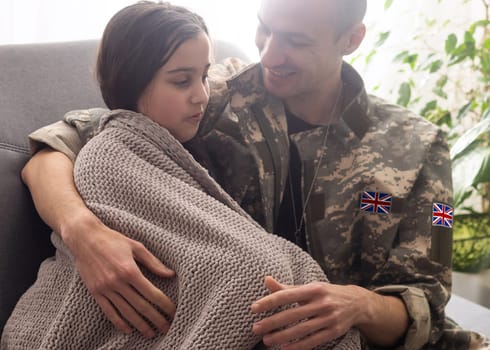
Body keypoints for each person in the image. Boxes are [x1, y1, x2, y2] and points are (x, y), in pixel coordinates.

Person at [18, 0, 489, 349]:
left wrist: (358, 305)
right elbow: (56, 146)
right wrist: (82, 231)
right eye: (264, 30)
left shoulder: (421, 148)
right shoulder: (214, 96)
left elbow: (425, 300)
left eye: (296, 42)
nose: (269, 55)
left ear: (352, 39)